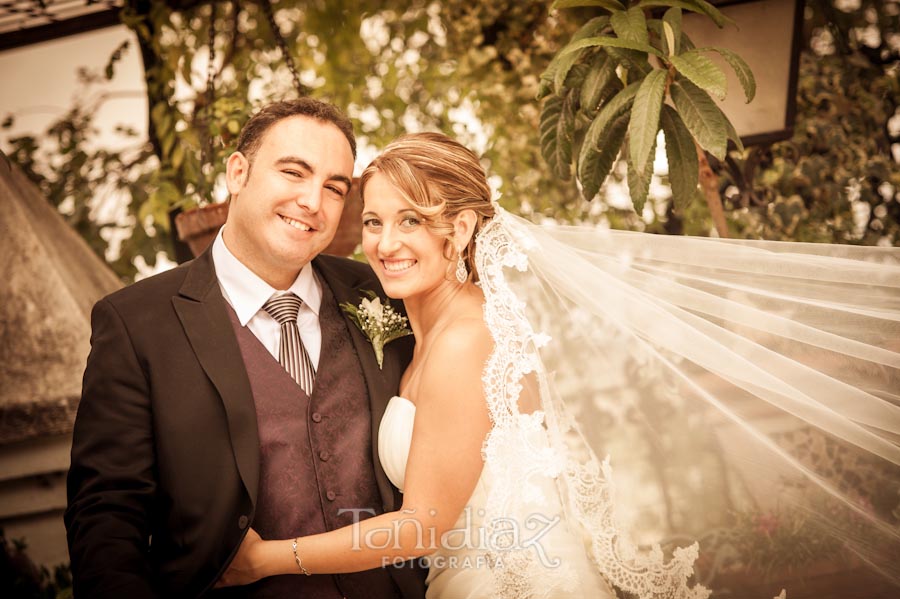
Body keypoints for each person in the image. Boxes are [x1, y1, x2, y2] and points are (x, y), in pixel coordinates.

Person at [220, 131, 900, 598]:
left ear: (458, 230)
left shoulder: (464, 338)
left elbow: (422, 523)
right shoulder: (431, 330)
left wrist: (265, 559)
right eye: (373, 221)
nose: (385, 243)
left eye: (411, 221)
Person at [65, 98, 427, 599]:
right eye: (293, 172)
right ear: (238, 172)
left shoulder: (382, 292)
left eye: (334, 188)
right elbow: (108, 511)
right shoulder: (135, 323)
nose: (312, 202)